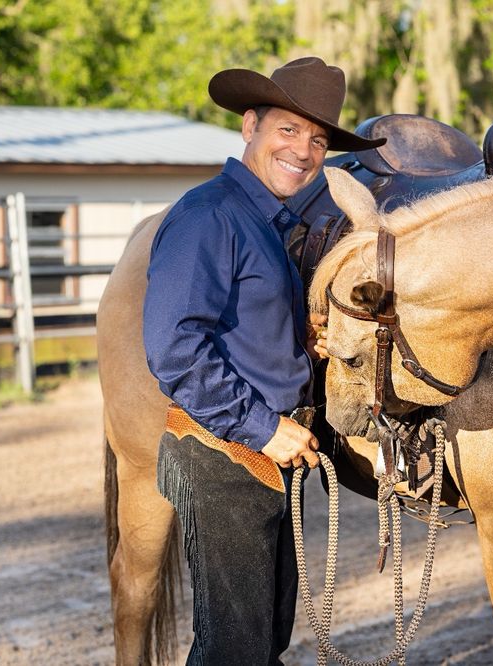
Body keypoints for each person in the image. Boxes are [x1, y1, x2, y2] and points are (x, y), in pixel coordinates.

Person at [142, 57, 385, 665]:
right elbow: (174, 345)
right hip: (227, 456)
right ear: (250, 125)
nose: (303, 151)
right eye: (288, 131)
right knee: (238, 650)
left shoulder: (265, 221)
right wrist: (263, 426)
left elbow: (239, 324)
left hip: (267, 457)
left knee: (260, 641)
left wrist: (299, 343)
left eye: (318, 140)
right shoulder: (209, 215)